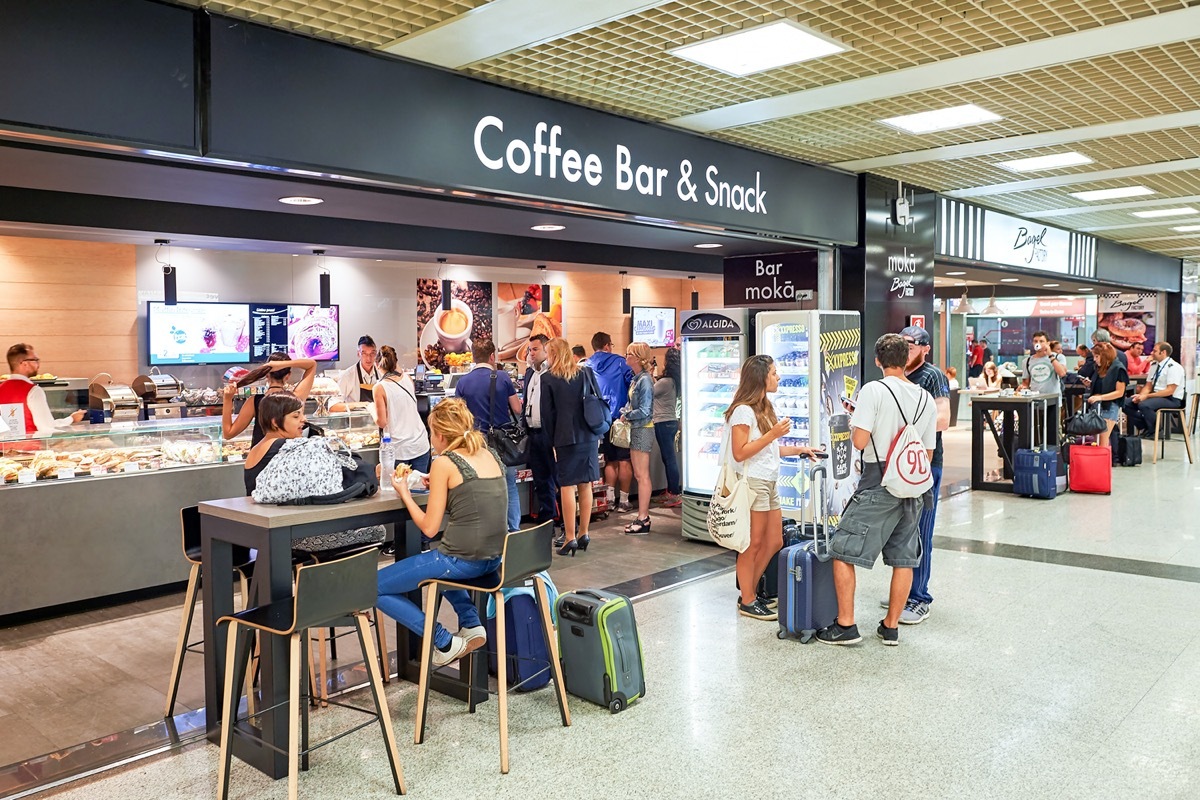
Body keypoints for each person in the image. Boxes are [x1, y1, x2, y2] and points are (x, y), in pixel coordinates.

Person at [817, 334, 936, 647]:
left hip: (878, 481)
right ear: (907, 359)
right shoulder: (925, 397)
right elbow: (928, 451)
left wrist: (857, 421)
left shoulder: (873, 390)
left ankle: (846, 625)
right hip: (913, 486)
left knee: (841, 551)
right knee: (904, 559)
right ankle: (891, 627)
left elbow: (858, 441)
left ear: (877, 360)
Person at [376, 398, 507, 666]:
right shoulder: (489, 453)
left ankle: (443, 641)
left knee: (372, 588)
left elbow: (429, 527)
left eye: (431, 433)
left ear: (441, 435)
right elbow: (472, 498)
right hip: (494, 560)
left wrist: (404, 493)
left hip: (462, 562)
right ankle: (471, 623)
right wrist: (434, 482)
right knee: (438, 569)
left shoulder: (444, 462)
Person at [727, 354, 823, 621]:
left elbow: (770, 449)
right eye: (773, 372)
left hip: (769, 480)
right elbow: (740, 452)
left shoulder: (765, 407)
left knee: (774, 540)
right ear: (761, 377)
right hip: (753, 482)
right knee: (753, 543)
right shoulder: (743, 411)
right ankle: (748, 599)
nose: (778, 377)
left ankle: (749, 591)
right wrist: (773, 434)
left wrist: (799, 449)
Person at [243, 391, 384, 553]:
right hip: (294, 536)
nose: (304, 420)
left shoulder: (256, 449)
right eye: (296, 416)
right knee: (377, 530)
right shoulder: (286, 448)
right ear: (276, 422)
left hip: (270, 533)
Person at [888, 326, 950, 626]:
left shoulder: (932, 376)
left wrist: (907, 428)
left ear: (924, 348)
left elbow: (943, 419)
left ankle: (919, 597)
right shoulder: (895, 375)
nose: (904, 349)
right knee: (901, 530)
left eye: (909, 345)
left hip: (925, 462)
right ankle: (904, 587)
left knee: (921, 529)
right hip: (895, 464)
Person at [540, 338, 603, 556]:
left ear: (553, 354)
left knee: (567, 486)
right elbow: (598, 399)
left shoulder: (547, 378)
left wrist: (551, 442)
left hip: (564, 437)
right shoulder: (585, 373)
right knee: (586, 483)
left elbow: (547, 415)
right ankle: (584, 533)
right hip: (589, 434)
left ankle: (569, 537)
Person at [454, 340, 523, 532]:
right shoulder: (502, 377)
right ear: (492, 356)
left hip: (476, 442)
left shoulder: (463, 382)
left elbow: (458, 416)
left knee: (481, 486)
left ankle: (487, 530)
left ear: (473, 357)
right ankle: (513, 530)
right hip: (503, 440)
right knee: (509, 485)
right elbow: (517, 408)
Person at [223, 352, 318, 446]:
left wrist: (227, 399)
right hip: (287, 457)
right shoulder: (295, 399)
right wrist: (281, 365)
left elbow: (228, 434)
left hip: (261, 456)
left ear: (267, 375)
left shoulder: (254, 401)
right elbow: (312, 364)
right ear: (288, 376)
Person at [590, 332, 634, 512]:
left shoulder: (587, 364)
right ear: (608, 345)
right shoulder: (620, 362)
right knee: (624, 459)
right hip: (620, 417)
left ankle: (607, 501)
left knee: (609, 460)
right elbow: (633, 385)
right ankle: (623, 501)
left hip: (599, 418)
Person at [0, 344, 85, 435]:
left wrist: (70, 419)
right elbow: (47, 428)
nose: (38, 364)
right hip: (30, 448)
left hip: (5, 448)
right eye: (35, 360)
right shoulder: (33, 391)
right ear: (24, 363)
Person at [372, 345, 431, 473]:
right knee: (419, 489)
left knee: (398, 489)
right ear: (396, 362)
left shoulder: (379, 387)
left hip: (398, 450)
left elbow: (382, 422)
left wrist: (371, 409)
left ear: (376, 365)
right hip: (420, 443)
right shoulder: (408, 379)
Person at [522, 334, 560, 530]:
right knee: (541, 479)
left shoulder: (554, 374)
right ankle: (547, 520)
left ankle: (564, 521)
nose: (531, 353)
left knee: (558, 478)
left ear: (547, 350)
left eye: (535, 349)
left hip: (551, 434)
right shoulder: (529, 373)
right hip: (533, 433)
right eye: (530, 350)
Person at [619, 342, 656, 535]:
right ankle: (642, 516)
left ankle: (643, 517)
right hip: (637, 428)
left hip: (643, 429)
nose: (626, 356)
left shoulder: (645, 381)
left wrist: (627, 415)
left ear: (638, 357)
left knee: (642, 475)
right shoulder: (637, 379)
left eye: (629, 353)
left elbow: (645, 411)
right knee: (639, 475)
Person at [1123, 341, 1185, 439]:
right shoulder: (1154, 365)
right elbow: (1148, 386)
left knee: (1144, 405)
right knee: (1125, 403)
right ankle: (1146, 427)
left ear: (1163, 352)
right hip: (1155, 396)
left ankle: (1156, 431)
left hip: (1171, 399)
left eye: (1155, 351)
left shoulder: (1174, 367)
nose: (1152, 353)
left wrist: (1146, 396)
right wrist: (1140, 396)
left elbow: (1169, 390)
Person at [652, 347, 682, 508]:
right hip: (670, 421)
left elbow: (648, 393)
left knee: (669, 459)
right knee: (668, 458)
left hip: (662, 422)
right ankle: (671, 490)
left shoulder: (664, 382)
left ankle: (674, 493)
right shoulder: (674, 382)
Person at [1086, 342, 1127, 449]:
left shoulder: (1118, 369)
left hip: (1109, 406)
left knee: (1103, 440)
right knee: (1096, 440)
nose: (1095, 359)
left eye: (1097, 356)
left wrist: (1100, 397)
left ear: (1105, 356)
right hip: (1097, 406)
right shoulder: (1099, 369)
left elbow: (1119, 392)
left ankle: (1103, 463)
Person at [333, 335, 381, 410]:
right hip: (355, 420)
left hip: (378, 420)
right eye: (364, 353)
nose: (369, 358)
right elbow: (333, 406)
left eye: (372, 353)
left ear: (376, 354)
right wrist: (358, 404)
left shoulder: (382, 373)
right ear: (358, 354)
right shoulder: (347, 375)